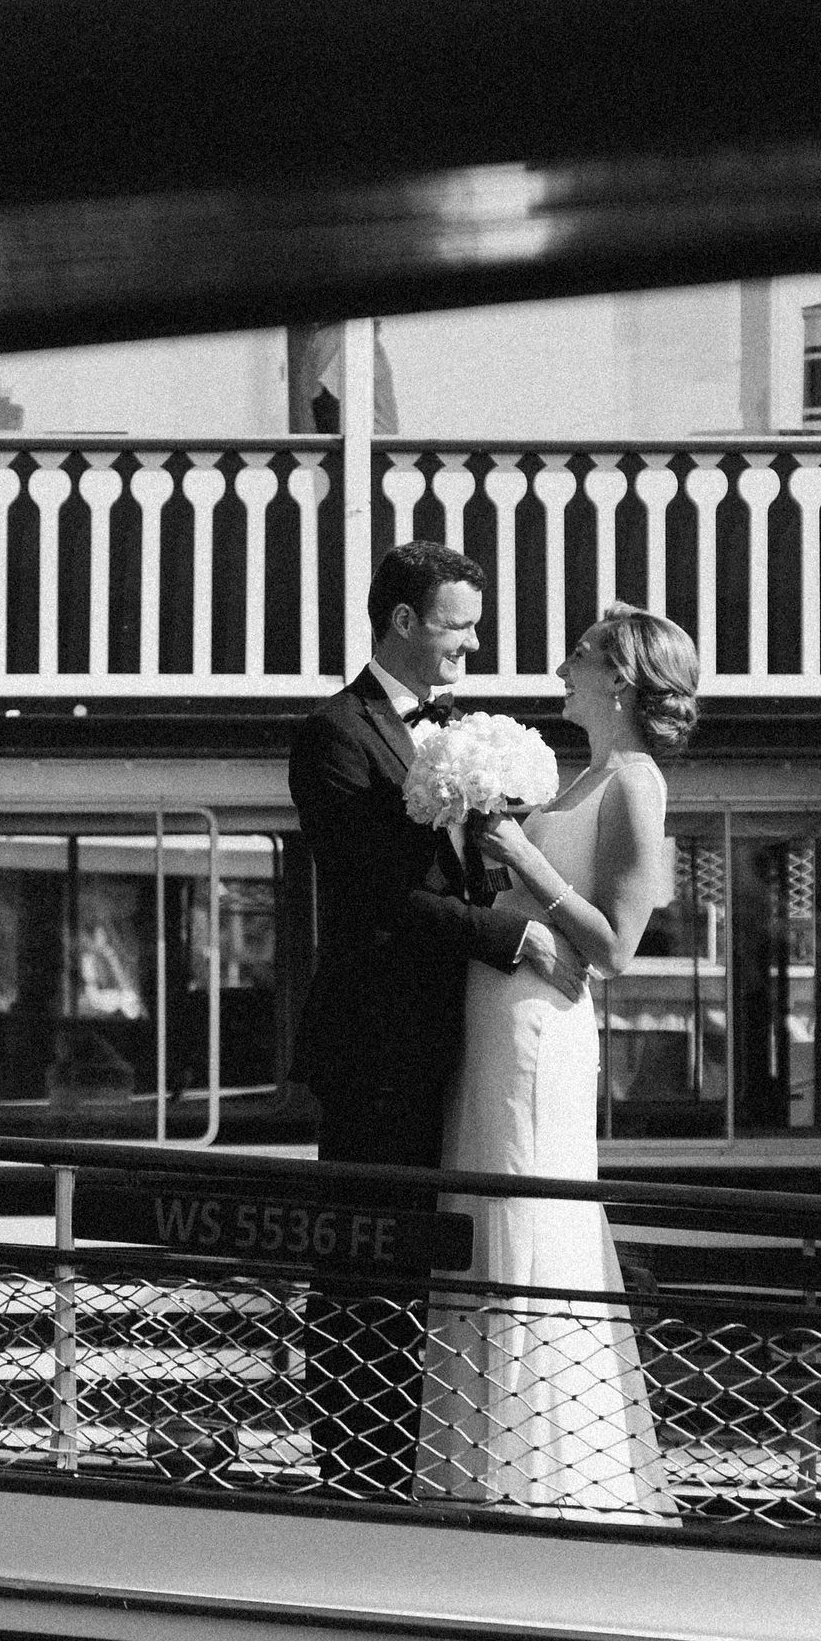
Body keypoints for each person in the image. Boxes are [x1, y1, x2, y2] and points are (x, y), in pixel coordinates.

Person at [287, 541, 580, 1498]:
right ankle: (354, 1468)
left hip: (462, 1038)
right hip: (377, 1044)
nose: (472, 644)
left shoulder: (458, 732)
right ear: (404, 621)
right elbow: (375, 894)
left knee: (436, 1262)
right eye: (459, 625)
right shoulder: (334, 734)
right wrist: (509, 937)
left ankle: (424, 1455)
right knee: (367, 1262)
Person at [421, 602, 694, 1519]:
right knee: (481, 1203)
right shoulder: (584, 777)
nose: (562, 667)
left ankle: (544, 1476)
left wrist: (521, 857)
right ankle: (475, 1463)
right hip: (499, 1014)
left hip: (544, 1027)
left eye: (580, 654)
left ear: (618, 678)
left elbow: (616, 947)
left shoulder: (637, 784)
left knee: (525, 1208)